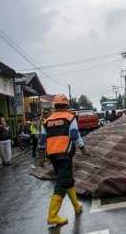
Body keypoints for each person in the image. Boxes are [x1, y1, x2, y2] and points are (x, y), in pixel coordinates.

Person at [38, 94, 90, 226]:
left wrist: (41, 158)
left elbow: (42, 141)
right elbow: (73, 135)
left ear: (55, 106)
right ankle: (53, 216)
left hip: (53, 156)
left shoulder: (47, 121)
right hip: (65, 155)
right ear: (66, 105)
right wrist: (83, 149)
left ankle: (76, 207)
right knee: (62, 184)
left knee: (67, 180)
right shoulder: (70, 117)